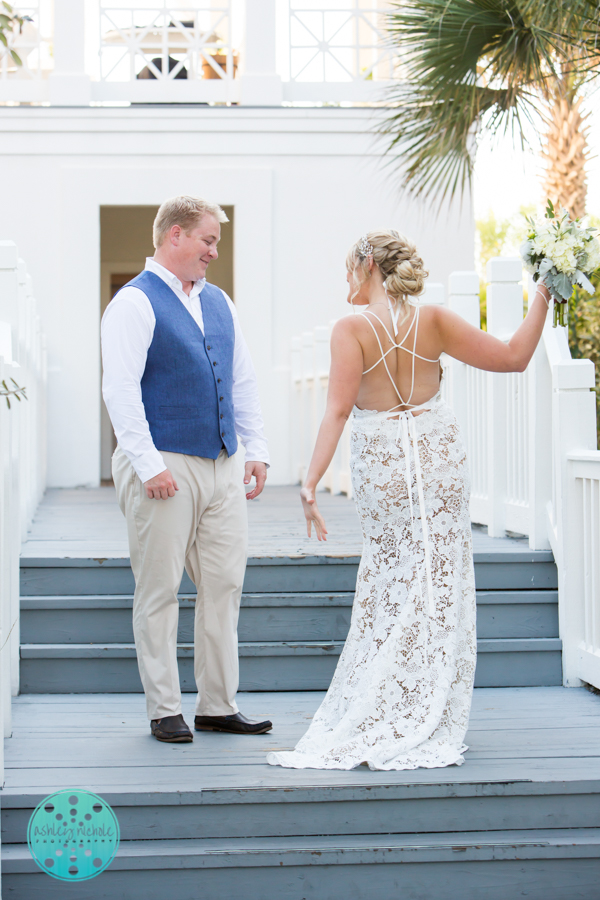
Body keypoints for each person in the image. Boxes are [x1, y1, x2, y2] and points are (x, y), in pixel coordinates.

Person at [267, 230, 550, 771]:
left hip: (386, 469)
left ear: (368, 264)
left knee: (391, 581)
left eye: (348, 268)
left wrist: (310, 481)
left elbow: (337, 412)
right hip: (440, 462)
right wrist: (544, 292)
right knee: (440, 578)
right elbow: (515, 356)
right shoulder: (435, 321)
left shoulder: (350, 330)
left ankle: (391, 700)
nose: (344, 280)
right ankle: (430, 704)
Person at [102, 195, 272, 743]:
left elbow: (241, 378)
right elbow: (120, 389)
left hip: (223, 463)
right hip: (163, 463)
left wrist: (257, 448)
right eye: (207, 240)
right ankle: (164, 708)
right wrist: (147, 464)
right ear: (174, 235)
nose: (213, 253)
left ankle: (218, 704)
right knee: (158, 590)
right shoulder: (134, 302)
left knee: (224, 584)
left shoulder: (219, 300)